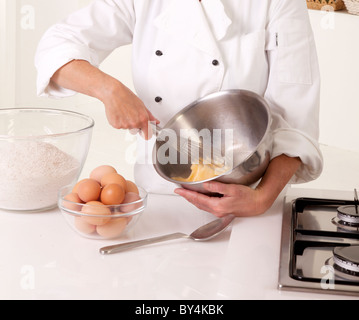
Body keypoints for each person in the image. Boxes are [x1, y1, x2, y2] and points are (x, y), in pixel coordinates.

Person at [35, 0, 323, 218]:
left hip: (250, 193)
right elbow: (56, 46)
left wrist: (261, 199)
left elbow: (296, 119)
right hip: (160, 194)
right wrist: (108, 89)